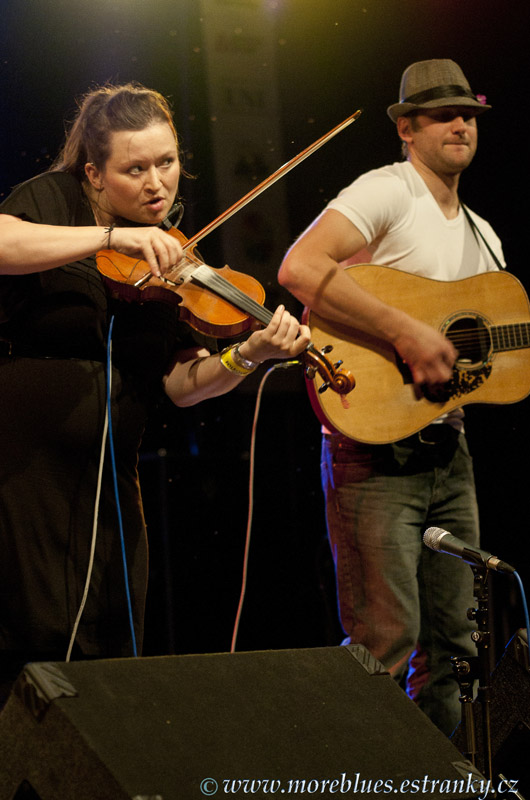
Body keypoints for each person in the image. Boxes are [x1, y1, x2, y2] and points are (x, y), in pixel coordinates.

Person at [0, 83, 311, 706]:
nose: (155, 183)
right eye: (133, 169)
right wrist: (109, 240)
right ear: (93, 172)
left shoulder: (176, 256)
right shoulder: (54, 201)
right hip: (24, 470)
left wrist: (248, 355)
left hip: (111, 475)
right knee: (32, 638)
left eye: (165, 162)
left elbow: (181, 386)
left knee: (114, 639)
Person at [279, 59, 504, 735]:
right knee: (383, 644)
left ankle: (445, 782)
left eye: (467, 112)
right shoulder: (385, 192)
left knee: (456, 650)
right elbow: (299, 267)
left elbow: (488, 353)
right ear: (406, 127)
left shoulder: (483, 236)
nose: (459, 123)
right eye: (440, 113)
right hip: (370, 454)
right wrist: (406, 332)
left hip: (447, 449)